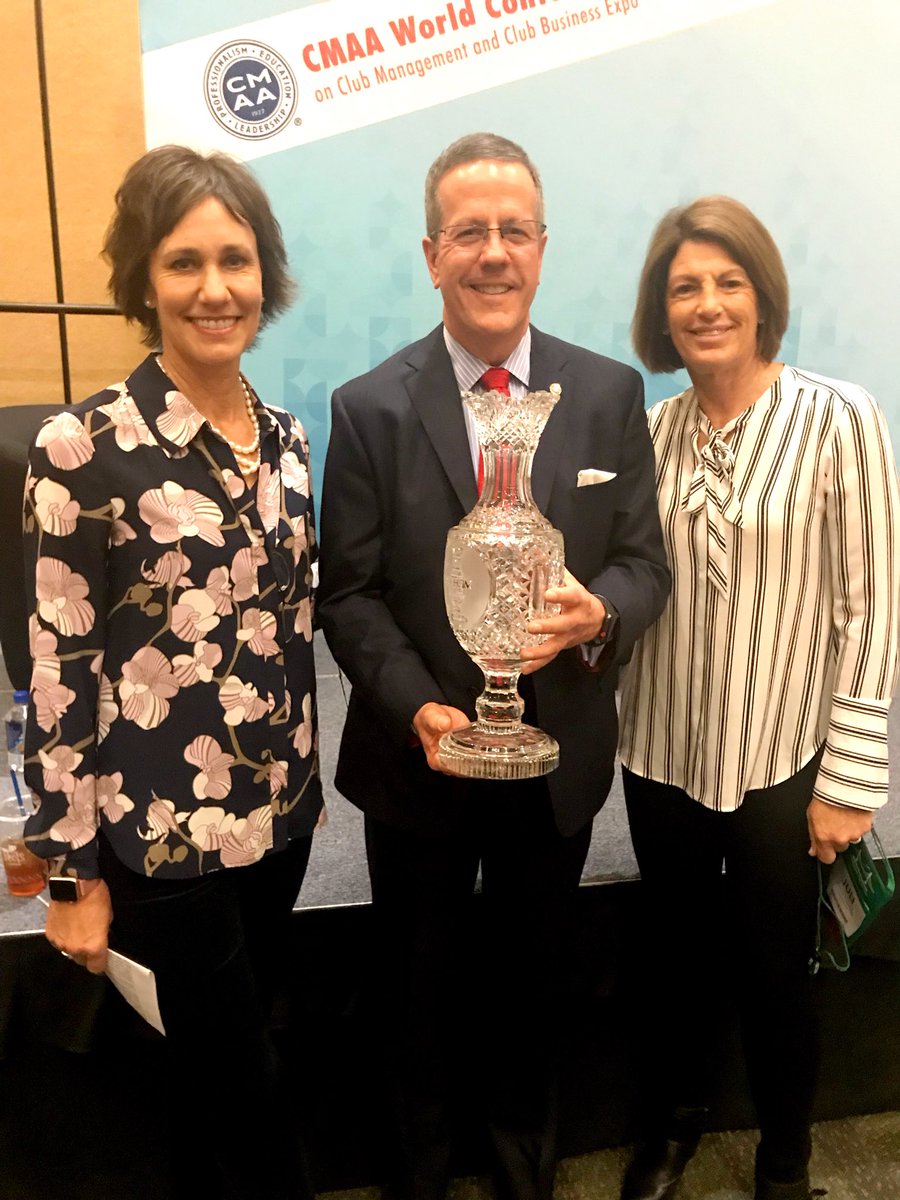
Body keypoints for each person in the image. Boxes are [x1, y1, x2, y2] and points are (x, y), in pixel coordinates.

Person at [316, 131, 670, 1200]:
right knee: (412, 988)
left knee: (532, 982)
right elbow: (350, 592)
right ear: (432, 255)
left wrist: (598, 614)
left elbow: (643, 563)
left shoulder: (607, 393)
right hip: (416, 755)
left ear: (543, 248)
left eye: (515, 229)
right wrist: (420, 708)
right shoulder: (369, 407)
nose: (494, 251)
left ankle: (523, 1164)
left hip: (555, 752)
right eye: (469, 231)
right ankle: (419, 1172)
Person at [22, 145, 323, 1200]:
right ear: (143, 281)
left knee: (205, 1083)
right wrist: (68, 877)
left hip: (283, 818)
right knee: (250, 1091)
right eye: (183, 262)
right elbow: (56, 674)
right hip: (163, 836)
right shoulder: (79, 446)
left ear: (264, 274)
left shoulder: (287, 441)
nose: (215, 288)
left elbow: (292, 629)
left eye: (235, 260)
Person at [617, 195, 900, 1200]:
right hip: (660, 751)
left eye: (728, 282)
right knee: (676, 962)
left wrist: (851, 779)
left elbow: (870, 607)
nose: (707, 304)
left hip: (784, 755)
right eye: (685, 287)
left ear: (762, 296)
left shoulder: (841, 418)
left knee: (778, 971)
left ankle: (786, 1158)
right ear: (662, 311)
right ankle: (673, 1130)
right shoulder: (648, 434)